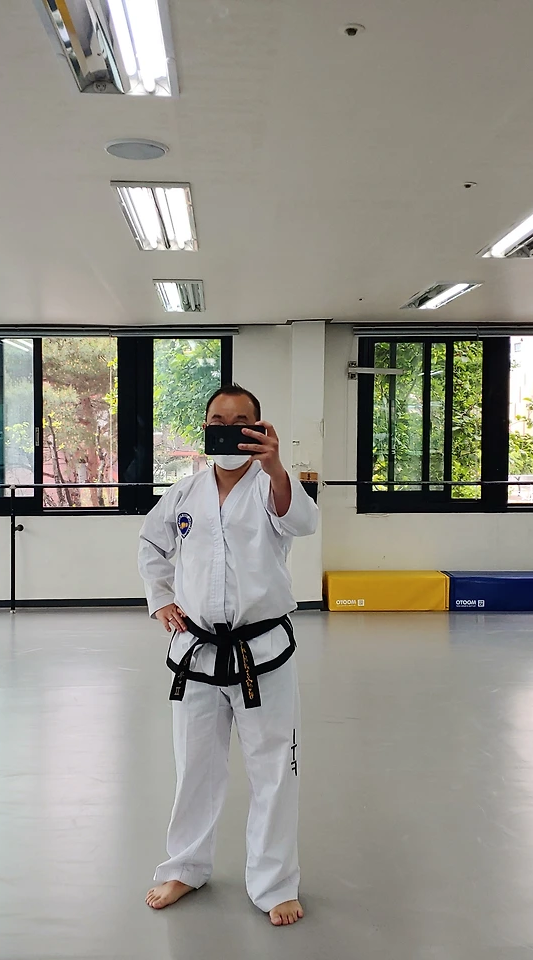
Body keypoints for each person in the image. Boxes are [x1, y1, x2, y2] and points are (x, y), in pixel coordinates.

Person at [138, 384, 318, 926]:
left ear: (258, 430)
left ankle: (274, 883)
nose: (229, 427)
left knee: (274, 770)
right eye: (218, 419)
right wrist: (160, 599)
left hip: (262, 651)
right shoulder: (185, 493)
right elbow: (151, 544)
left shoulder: (271, 486)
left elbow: (303, 522)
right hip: (196, 652)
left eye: (242, 420)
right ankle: (184, 867)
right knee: (194, 766)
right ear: (205, 428)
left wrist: (277, 466)